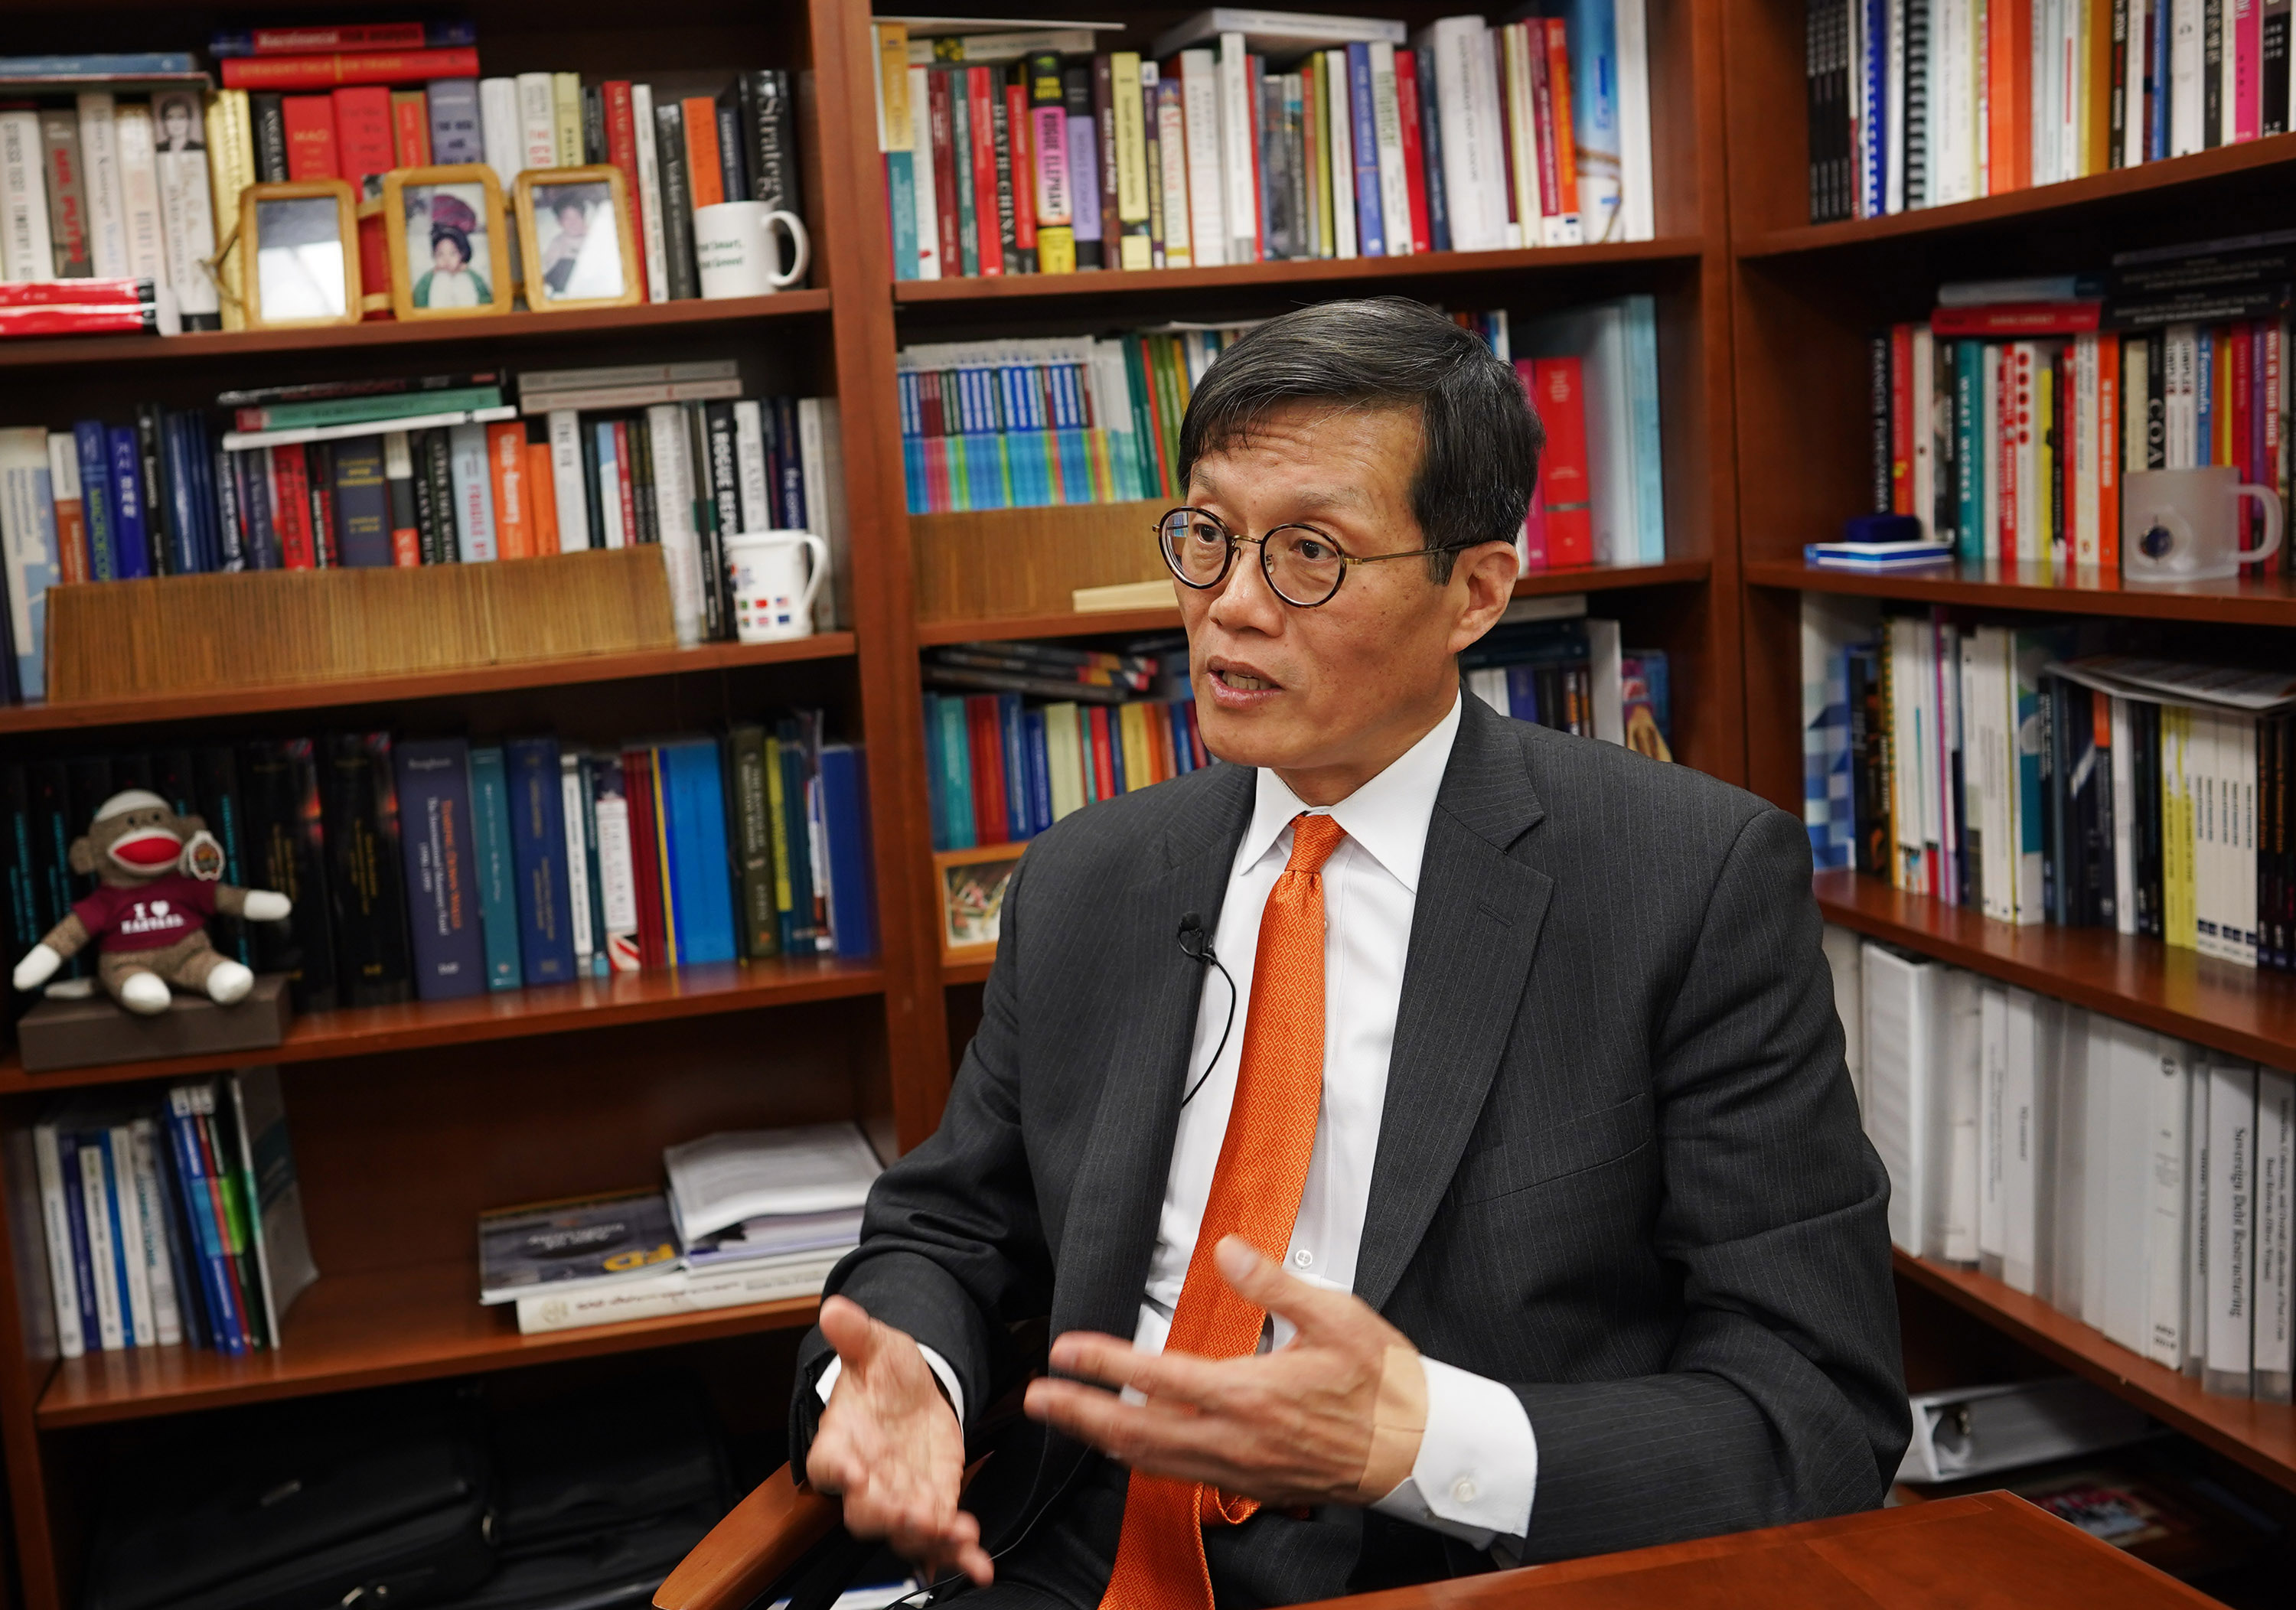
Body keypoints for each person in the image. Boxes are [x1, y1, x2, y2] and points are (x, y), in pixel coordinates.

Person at [796, 298, 1907, 1607]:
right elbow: (949, 1225)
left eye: (1309, 554)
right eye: (1208, 537)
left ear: (1476, 591)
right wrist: (909, 1375)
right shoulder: (1093, 874)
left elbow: (1815, 1411)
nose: (1230, 607)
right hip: (1067, 1560)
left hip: (1443, 1574)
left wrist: (1426, 1440)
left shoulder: (1685, 881)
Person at [411, 193, 488, 308]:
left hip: (469, 316)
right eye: (440, 254)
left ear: (462, 254)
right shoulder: (432, 277)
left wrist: (468, 272)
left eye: (453, 254)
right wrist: (431, 275)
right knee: (442, 280)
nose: (446, 259)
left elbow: (485, 296)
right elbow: (418, 298)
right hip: (437, 317)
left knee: (462, 280)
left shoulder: (468, 275)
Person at [540, 194, 591, 295]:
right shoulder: (558, 242)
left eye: (577, 217)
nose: (573, 223)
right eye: (567, 218)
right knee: (566, 263)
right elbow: (549, 270)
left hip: (590, 277)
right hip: (567, 282)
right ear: (559, 222)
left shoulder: (594, 235)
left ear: (584, 218)